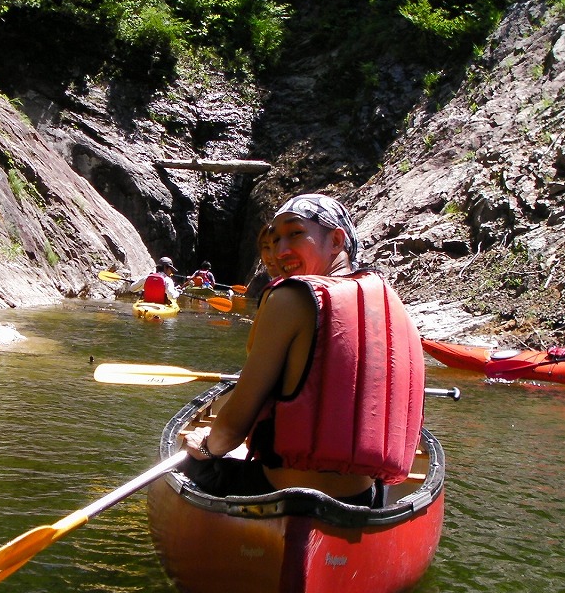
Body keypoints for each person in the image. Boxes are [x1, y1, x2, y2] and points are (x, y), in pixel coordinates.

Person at [180, 193, 425, 507]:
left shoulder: (290, 298)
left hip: (277, 493)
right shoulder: (391, 307)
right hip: (361, 500)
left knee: (194, 460)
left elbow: (230, 430)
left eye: (295, 234)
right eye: (275, 238)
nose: (281, 251)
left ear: (336, 240)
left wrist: (205, 447)